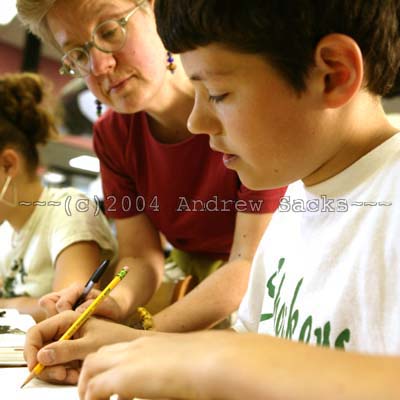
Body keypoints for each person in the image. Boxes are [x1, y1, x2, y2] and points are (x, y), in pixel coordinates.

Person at [40, 0, 400, 398]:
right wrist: (129, 344)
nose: (196, 122)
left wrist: (218, 358)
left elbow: (242, 354)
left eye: (218, 94)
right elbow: (252, 338)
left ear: (333, 74)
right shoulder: (293, 208)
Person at [17, 0, 286, 333]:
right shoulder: (113, 135)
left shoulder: (237, 101)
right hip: (196, 289)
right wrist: (111, 303)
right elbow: (141, 257)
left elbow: (248, 262)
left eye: (110, 31)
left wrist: (135, 339)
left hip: (275, 285)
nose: (99, 66)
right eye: (77, 54)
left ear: (160, 12)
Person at [0, 72, 117, 322]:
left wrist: (10, 303)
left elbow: (64, 312)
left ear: (9, 165)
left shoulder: (69, 209)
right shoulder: (6, 233)